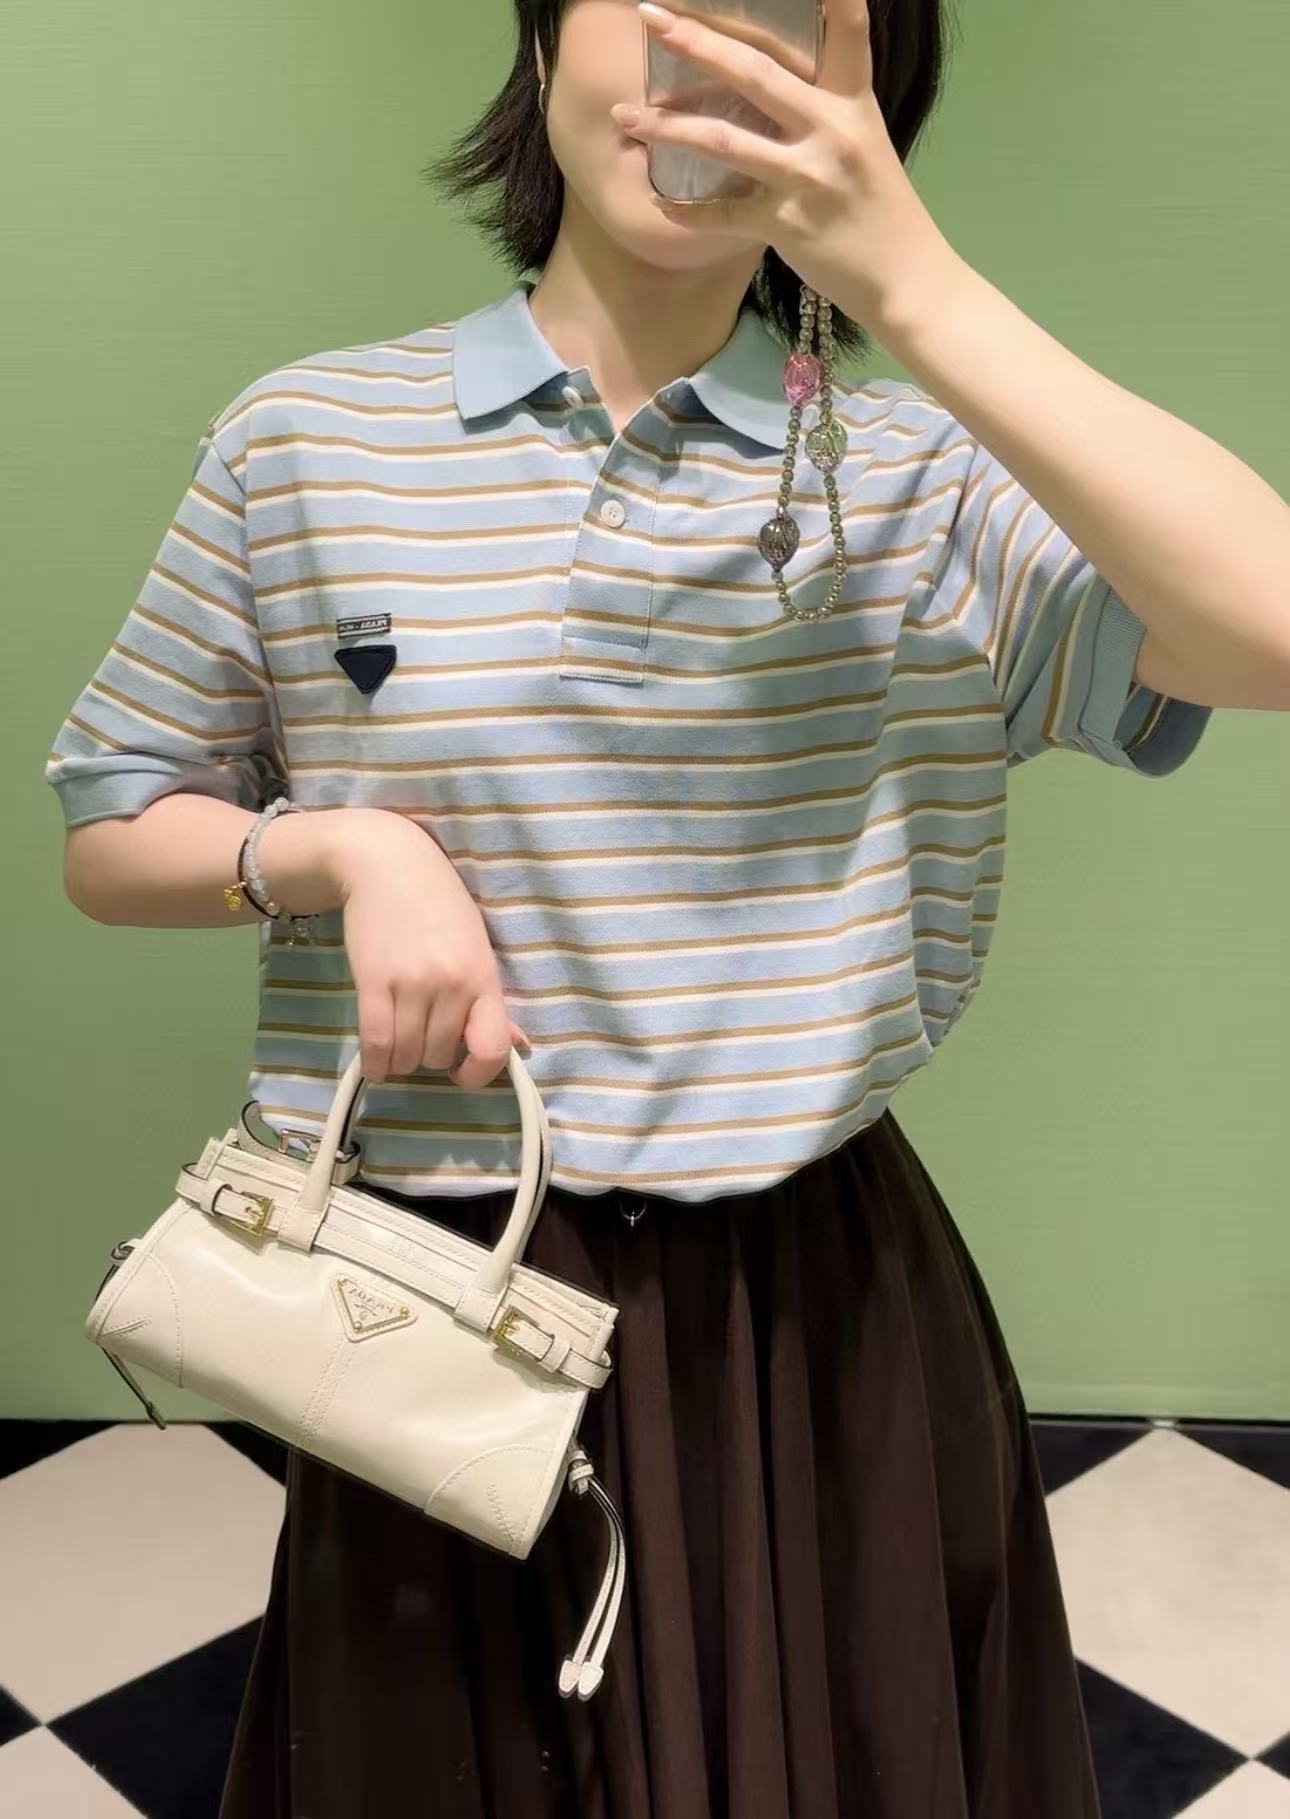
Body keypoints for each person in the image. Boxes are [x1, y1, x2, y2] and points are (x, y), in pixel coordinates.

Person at [56, 0, 1290, 1809]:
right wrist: (342, 852)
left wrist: (909, 282)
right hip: (430, 1289)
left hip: (807, 1311)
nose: (704, 72)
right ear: (543, 40)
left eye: (775, 24)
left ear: (861, 94)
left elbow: (1268, 633)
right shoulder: (307, 441)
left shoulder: (918, 481)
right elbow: (112, 827)